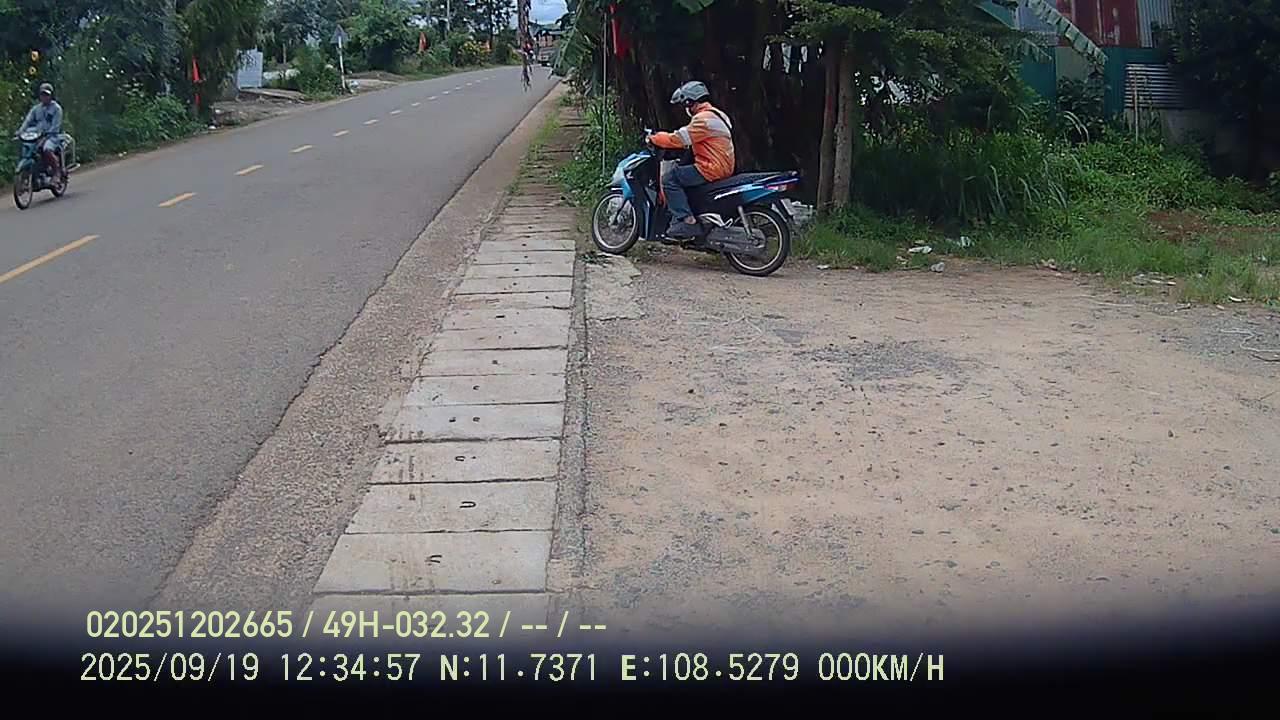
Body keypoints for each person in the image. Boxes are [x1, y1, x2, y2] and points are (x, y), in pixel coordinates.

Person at [649, 80, 735, 240]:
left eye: (685, 104)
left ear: (690, 102)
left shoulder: (703, 119)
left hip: (711, 168)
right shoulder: (719, 115)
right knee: (683, 173)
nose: (685, 108)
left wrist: (654, 138)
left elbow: (677, 139)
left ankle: (687, 221)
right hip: (723, 166)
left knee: (669, 179)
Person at [15, 83, 65, 182]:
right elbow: (27, 121)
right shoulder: (36, 109)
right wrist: (20, 131)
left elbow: (55, 127)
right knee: (28, 148)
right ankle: (35, 172)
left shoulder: (56, 109)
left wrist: (46, 137)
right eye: (42, 94)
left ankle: (57, 172)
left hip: (52, 136)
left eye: (47, 95)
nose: (44, 97)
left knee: (46, 149)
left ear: (51, 95)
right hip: (37, 135)